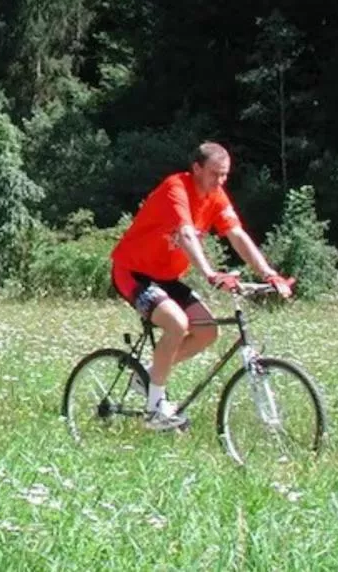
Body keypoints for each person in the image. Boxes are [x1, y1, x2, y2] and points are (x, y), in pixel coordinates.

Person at [110, 142, 293, 430]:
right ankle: (155, 410)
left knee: (207, 331)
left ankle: (146, 376)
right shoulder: (176, 188)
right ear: (196, 168)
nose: (220, 181)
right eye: (215, 174)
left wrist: (269, 274)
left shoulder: (216, 196)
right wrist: (209, 272)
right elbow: (185, 233)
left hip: (166, 278)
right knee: (176, 323)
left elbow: (237, 234)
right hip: (133, 272)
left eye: (225, 175)